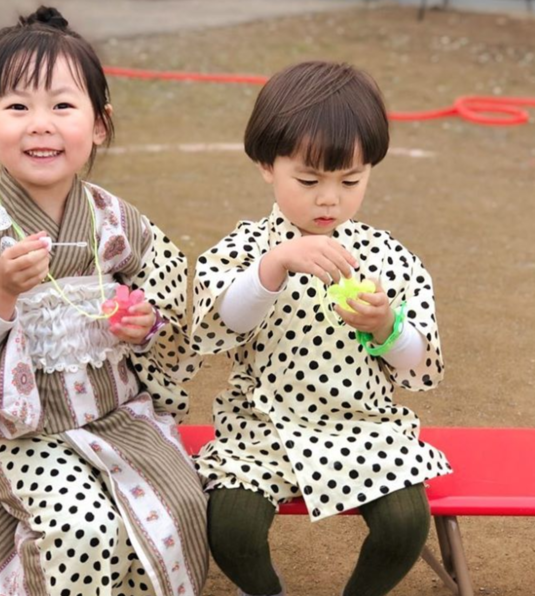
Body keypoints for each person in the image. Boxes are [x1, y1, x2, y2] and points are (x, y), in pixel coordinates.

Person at [0, 7, 207, 596]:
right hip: (20, 431)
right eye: (16, 107)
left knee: (178, 509)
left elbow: (172, 302)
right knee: (80, 527)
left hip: (116, 412)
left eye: (62, 105)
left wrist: (145, 322)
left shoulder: (117, 221)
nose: (40, 124)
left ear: (99, 124)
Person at [191, 61, 450, 596]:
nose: (329, 198)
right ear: (268, 165)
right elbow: (215, 325)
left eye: (350, 180)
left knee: (405, 522)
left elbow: (420, 363)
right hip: (262, 430)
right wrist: (274, 264)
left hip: (366, 428)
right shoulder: (247, 248)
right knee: (231, 527)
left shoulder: (390, 259)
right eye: (308, 181)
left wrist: (386, 327)